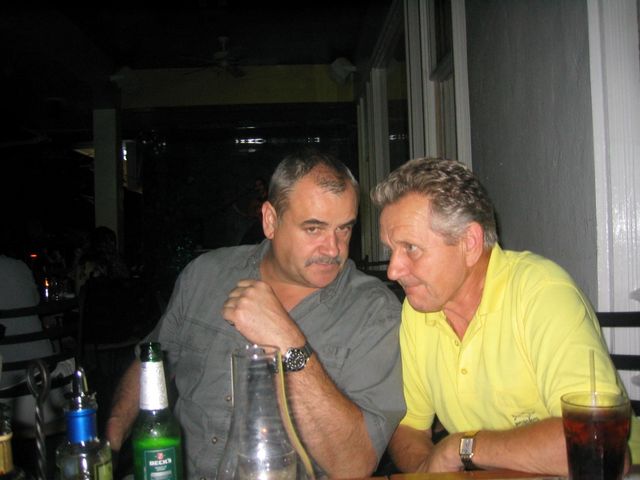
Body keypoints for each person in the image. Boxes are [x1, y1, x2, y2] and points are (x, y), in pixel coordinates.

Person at [106, 149, 405, 478]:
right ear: (270, 221)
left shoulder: (373, 310)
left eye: (344, 229)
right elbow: (151, 363)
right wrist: (110, 444)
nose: (333, 249)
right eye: (313, 229)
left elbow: (354, 465)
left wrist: (286, 341)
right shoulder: (204, 276)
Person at [370, 157, 640, 475]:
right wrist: (432, 471)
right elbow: (410, 428)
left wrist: (461, 448)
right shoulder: (419, 310)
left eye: (411, 248)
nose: (393, 270)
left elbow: (599, 446)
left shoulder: (542, 293)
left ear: (469, 243)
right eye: (391, 250)